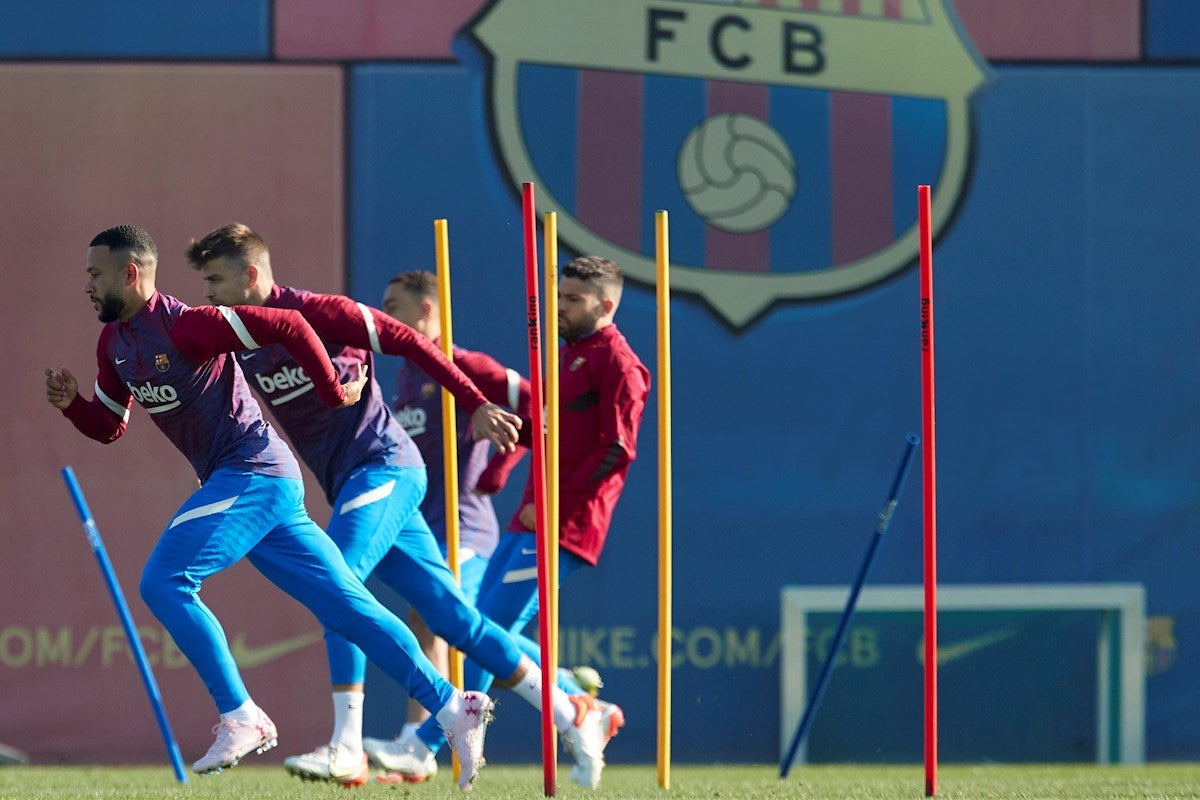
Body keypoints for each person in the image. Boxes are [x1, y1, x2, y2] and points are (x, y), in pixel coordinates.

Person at [44, 225, 493, 790]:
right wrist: (71, 406)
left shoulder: (187, 324)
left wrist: (330, 388)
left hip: (253, 470)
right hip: (258, 487)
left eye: (95, 273)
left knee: (165, 580)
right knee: (348, 609)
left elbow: (288, 323)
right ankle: (454, 707)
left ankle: (241, 715)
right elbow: (110, 426)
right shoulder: (114, 345)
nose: (86, 284)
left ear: (130, 273)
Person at [184, 224, 607, 789]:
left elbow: (412, 342)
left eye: (215, 279)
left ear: (251, 275)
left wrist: (477, 405)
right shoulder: (235, 334)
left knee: (338, 581)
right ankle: (571, 711)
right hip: (358, 486)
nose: (207, 292)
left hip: (386, 467)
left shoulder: (321, 312)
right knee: (454, 618)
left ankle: (347, 747)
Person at [379, 257, 648, 788]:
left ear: (607, 305)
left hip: (563, 525)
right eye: (559, 296)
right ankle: (577, 702)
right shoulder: (568, 356)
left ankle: (425, 746)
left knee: (476, 632)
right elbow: (541, 431)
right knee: (477, 626)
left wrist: (552, 502)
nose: (560, 307)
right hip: (531, 521)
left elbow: (617, 449)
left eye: (573, 299)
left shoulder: (617, 360)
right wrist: (505, 451)